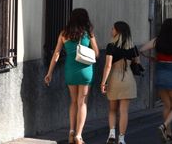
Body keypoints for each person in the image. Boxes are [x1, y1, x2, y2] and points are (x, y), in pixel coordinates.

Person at [44, 8, 99, 144]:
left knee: (73, 101)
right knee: (82, 102)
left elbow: (56, 54)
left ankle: (71, 132)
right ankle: (79, 136)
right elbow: (97, 53)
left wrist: (49, 73)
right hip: (85, 69)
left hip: (70, 69)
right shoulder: (88, 33)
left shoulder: (64, 33)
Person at [140, 18, 172, 142]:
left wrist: (152, 58)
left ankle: (169, 134)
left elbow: (141, 49)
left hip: (160, 74)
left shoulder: (157, 40)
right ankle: (164, 126)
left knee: (167, 105)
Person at [100, 21, 140, 144]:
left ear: (118, 31)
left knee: (112, 109)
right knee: (124, 111)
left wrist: (103, 83)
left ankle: (112, 133)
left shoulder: (111, 46)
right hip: (128, 80)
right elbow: (137, 64)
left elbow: (107, 66)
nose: (111, 31)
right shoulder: (132, 47)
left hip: (114, 79)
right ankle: (121, 139)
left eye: (113, 29)